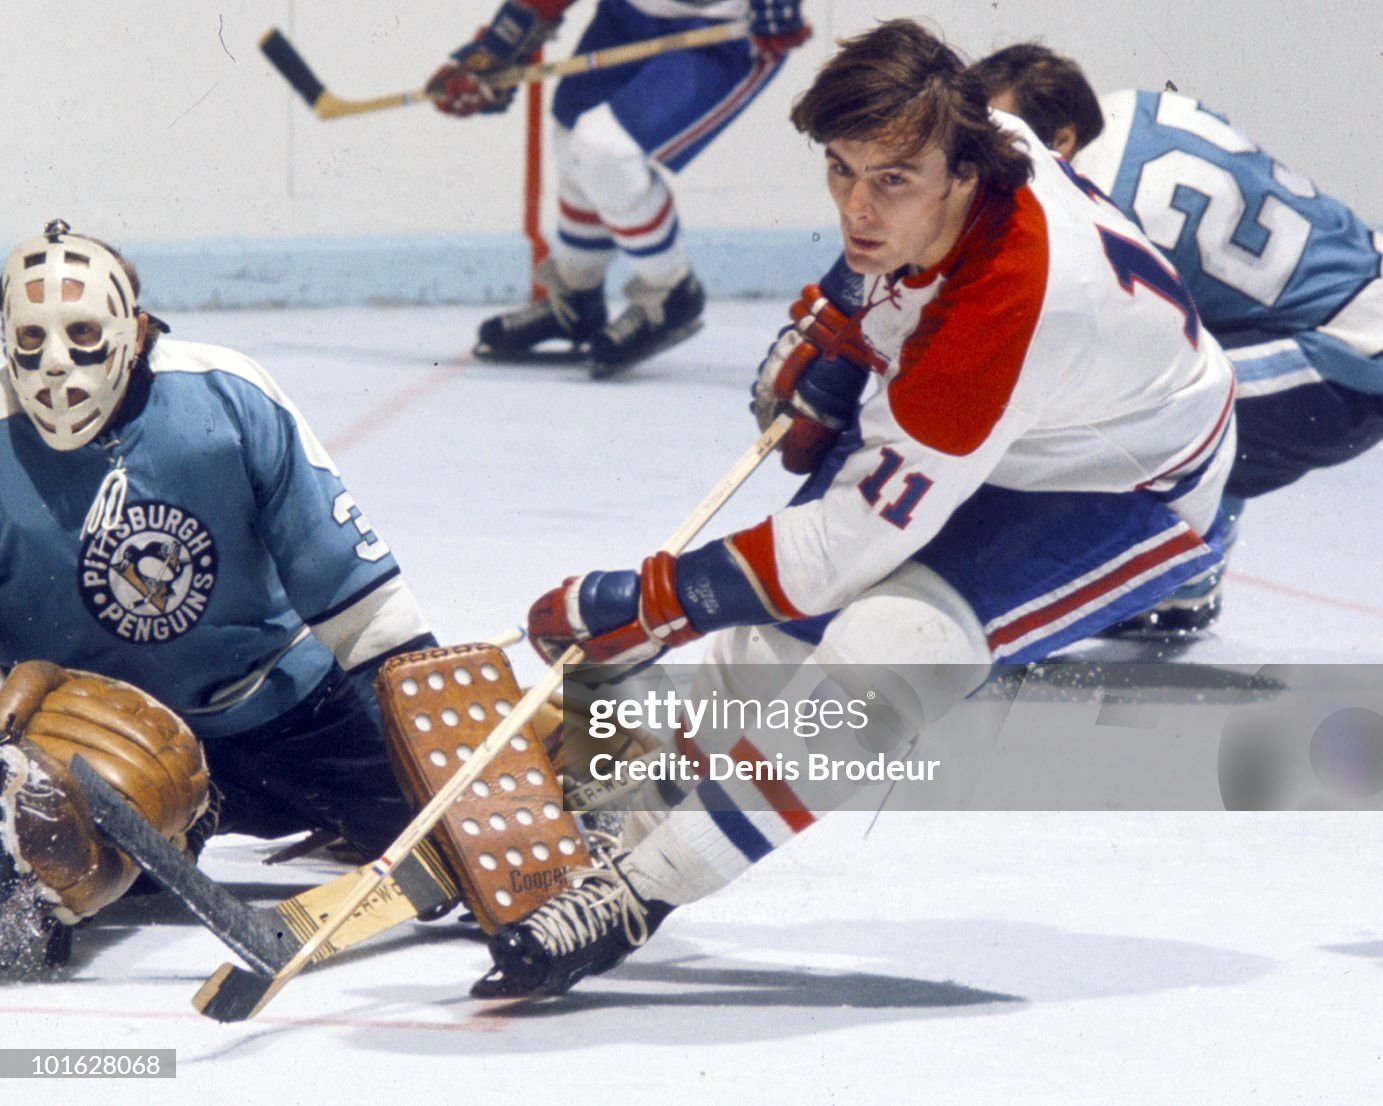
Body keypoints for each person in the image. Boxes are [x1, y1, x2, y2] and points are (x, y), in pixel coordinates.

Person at [469, 20, 1237, 998]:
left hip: (1128, 477)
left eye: (892, 180)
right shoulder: (973, 132)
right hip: (1035, 417)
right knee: (771, 634)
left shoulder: (1007, 311)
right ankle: (628, 812)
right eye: (840, 170)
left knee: (886, 650)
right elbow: (884, 244)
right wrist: (837, 322)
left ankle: (639, 890)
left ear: (963, 170)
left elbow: (838, 550)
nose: (857, 207)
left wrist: (655, 602)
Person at [0, 221, 437, 965]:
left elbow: (365, 609)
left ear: (137, 330)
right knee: (34, 886)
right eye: (31, 339)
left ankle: (595, 757)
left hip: (292, 714)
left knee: (487, 816)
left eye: (83, 332)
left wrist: (447, 740)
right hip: (96, 747)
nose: (57, 362)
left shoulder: (226, 396)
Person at [973, 43, 1383, 635]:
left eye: (999, 143)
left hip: (1349, 357)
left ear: (1061, 139)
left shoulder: (1091, 212)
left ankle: (1170, 574)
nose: (979, 166)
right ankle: (1184, 579)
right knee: (1186, 383)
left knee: (1153, 412)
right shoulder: (1128, 108)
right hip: (1351, 309)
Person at [426, 0, 810, 377]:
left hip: (722, 31)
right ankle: (577, 298)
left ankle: (671, 292)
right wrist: (493, 52)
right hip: (627, 16)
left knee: (607, 149)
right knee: (571, 135)